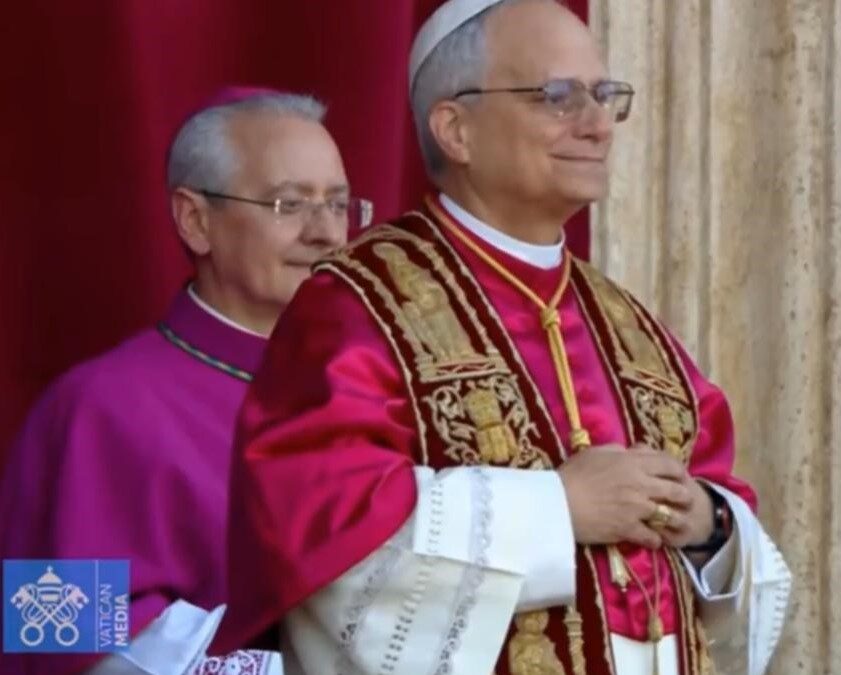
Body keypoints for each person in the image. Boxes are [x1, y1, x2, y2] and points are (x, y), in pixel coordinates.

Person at [216, 2, 792, 674]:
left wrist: (709, 526)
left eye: (606, 96)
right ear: (456, 129)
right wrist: (559, 507)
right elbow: (323, 540)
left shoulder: (631, 325)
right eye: (558, 97)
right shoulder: (358, 306)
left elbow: (727, 515)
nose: (598, 124)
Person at [0, 86, 371, 675]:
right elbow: (62, 636)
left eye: (339, 205)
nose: (327, 234)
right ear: (196, 221)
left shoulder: (375, 386)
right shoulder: (98, 409)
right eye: (289, 205)